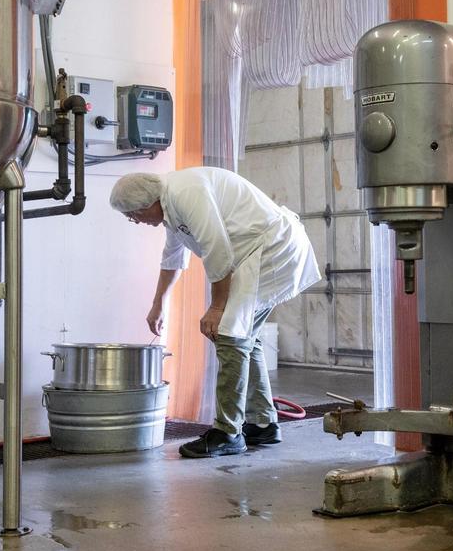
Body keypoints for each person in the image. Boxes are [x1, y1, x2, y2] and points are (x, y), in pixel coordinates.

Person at [109, 167, 320, 458]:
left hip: (273, 249)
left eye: (133, 214)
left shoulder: (185, 193)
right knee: (244, 337)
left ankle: (227, 433)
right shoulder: (170, 202)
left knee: (231, 335)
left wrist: (217, 307)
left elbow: (217, 249)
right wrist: (159, 304)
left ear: (147, 203)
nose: (134, 220)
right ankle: (262, 423)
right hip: (259, 251)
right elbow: (172, 258)